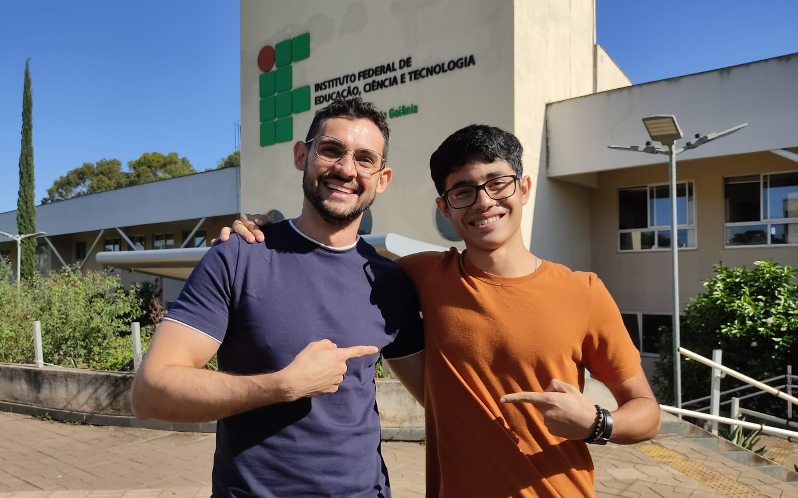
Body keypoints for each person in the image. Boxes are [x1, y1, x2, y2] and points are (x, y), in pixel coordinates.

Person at [221, 124, 661, 497]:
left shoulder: (583, 291)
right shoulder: (421, 275)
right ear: (444, 208)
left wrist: (597, 423)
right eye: (464, 191)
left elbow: (646, 410)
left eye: (498, 183)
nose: (484, 201)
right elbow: (334, 253)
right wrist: (264, 232)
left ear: (523, 188)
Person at [131, 98, 425, 498]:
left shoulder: (390, 281)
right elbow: (150, 393)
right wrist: (282, 386)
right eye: (331, 150)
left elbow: (441, 397)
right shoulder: (238, 257)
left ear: (383, 177)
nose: (346, 169)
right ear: (302, 155)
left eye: (364, 159)